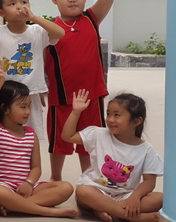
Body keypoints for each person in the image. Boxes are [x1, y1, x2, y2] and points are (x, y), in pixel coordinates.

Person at [45, 0, 118, 181]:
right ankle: (56, 179)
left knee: (90, 141)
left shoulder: (91, 19)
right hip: (61, 97)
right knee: (59, 142)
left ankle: (89, 180)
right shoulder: (49, 28)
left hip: (91, 96)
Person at [0, 70, 78, 218]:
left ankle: (15, 206)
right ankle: (47, 211)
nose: (28, 111)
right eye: (22, 107)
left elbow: (36, 168)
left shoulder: (31, 135)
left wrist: (28, 183)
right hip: (3, 187)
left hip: (28, 188)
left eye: (29, 106)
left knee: (66, 187)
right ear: (5, 109)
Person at [64, 91, 163, 222]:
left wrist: (135, 197)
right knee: (83, 191)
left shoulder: (146, 150)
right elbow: (68, 136)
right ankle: (131, 216)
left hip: (126, 195)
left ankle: (103, 210)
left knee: (161, 198)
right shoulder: (98, 134)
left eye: (117, 115)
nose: (110, 119)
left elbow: (149, 182)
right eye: (108, 114)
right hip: (96, 190)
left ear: (136, 121)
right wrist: (76, 112)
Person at [0, 0, 65, 144]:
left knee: (31, 136)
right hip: (6, 93)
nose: (19, 6)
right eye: (12, 4)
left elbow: (60, 33)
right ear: (1, 13)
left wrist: (34, 17)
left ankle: (32, 159)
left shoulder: (37, 30)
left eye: (24, 2)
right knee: (5, 136)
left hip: (31, 93)